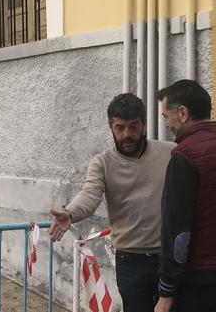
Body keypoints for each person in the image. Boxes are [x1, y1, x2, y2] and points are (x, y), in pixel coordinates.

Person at [48, 93, 175, 312]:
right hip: (130, 261)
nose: (127, 134)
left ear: (144, 125)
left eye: (134, 127)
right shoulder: (102, 163)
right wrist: (69, 213)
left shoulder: (171, 153)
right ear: (111, 127)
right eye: (120, 127)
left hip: (169, 258)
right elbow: (90, 194)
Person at [155, 80, 216, 312]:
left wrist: (166, 290)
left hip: (198, 281)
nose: (166, 123)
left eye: (165, 116)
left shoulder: (184, 156)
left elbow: (177, 230)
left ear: (182, 113)